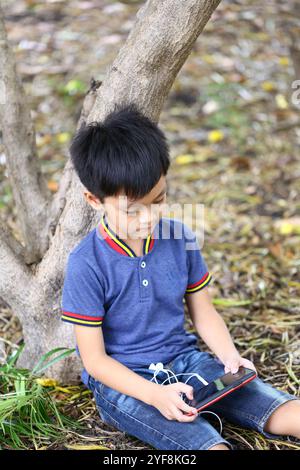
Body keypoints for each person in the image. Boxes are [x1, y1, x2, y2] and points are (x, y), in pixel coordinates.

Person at [60, 102, 300, 450]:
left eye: (159, 200)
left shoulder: (180, 239)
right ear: (94, 200)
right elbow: (95, 360)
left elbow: (203, 312)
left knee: (279, 410)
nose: (148, 219)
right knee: (206, 445)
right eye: (132, 210)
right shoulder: (87, 263)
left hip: (186, 360)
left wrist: (229, 357)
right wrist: (154, 394)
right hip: (127, 384)